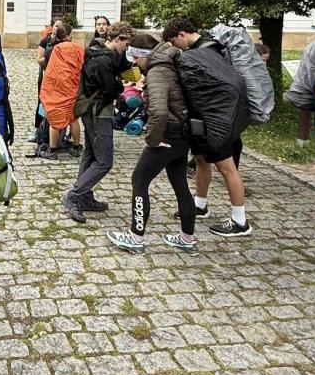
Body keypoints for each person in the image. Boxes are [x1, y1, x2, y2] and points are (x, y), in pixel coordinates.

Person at [106, 31, 199, 254]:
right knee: (180, 184)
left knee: (139, 179)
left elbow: (158, 110)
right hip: (184, 132)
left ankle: (135, 237)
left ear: (144, 55)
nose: (135, 63)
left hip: (168, 134)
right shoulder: (172, 62)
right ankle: (187, 238)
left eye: (136, 58)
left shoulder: (158, 72)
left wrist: (153, 140)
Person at [162, 17, 252, 238]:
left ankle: (240, 221)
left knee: (227, 168)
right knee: (201, 161)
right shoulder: (209, 47)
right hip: (209, 121)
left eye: (174, 41)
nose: (175, 47)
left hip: (217, 122)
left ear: (182, 34)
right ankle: (200, 205)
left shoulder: (203, 52)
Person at [63, 21, 133, 223]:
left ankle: (83, 196)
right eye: (126, 44)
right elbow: (111, 89)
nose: (126, 48)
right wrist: (124, 86)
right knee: (104, 161)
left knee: (91, 153)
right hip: (97, 110)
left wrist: (135, 74)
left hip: (97, 109)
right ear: (117, 39)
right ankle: (74, 195)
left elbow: (125, 68)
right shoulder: (102, 60)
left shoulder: (110, 54)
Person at [38, 24, 84, 157]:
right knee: (73, 119)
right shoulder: (78, 48)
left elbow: (49, 68)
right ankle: (76, 146)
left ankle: (52, 150)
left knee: (54, 121)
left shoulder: (52, 49)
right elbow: (82, 65)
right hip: (72, 88)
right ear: (69, 35)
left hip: (56, 89)